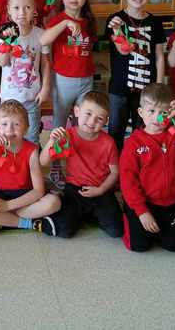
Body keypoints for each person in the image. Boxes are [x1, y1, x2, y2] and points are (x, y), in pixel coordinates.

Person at [119, 83, 175, 252]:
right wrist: (141, 211)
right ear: (141, 113)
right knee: (139, 246)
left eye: (164, 112)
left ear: (171, 113)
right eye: (151, 111)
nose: (157, 117)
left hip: (169, 203)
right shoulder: (133, 144)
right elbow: (128, 180)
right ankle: (129, 214)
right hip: (143, 202)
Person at [0, 100, 61, 235]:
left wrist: (7, 206)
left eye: (16, 124)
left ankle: (3, 221)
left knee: (54, 202)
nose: (10, 129)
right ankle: (29, 223)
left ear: (26, 128)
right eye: (4, 124)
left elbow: (38, 191)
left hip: (24, 196)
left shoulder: (32, 151)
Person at [40, 0, 97, 190]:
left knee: (83, 125)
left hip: (86, 81)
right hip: (63, 82)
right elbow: (43, 40)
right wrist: (64, 24)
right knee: (59, 125)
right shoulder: (56, 20)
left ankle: (79, 166)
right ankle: (56, 167)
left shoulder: (89, 21)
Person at [40, 91, 123, 239]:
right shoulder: (67, 136)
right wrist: (51, 142)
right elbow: (43, 161)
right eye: (88, 114)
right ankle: (82, 213)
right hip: (74, 189)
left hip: (100, 189)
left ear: (106, 121)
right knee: (64, 231)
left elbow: (115, 172)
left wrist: (101, 189)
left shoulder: (108, 142)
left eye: (99, 118)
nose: (92, 121)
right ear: (77, 111)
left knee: (116, 231)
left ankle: (88, 213)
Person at [105, 0, 167, 151]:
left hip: (147, 90)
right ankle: (115, 163)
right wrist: (117, 30)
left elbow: (159, 56)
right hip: (119, 88)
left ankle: (140, 160)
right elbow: (123, 51)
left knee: (142, 131)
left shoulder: (155, 23)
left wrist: (159, 86)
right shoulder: (115, 20)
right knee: (115, 130)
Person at [0, 0, 51, 144]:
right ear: (9, 10)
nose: (22, 13)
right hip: (8, 99)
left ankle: (31, 159)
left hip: (31, 98)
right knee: (7, 138)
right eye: (16, 8)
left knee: (32, 138)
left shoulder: (40, 34)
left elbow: (46, 64)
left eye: (27, 7)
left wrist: (46, 88)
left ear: (34, 9)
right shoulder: (3, 34)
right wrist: (7, 42)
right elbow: (2, 62)